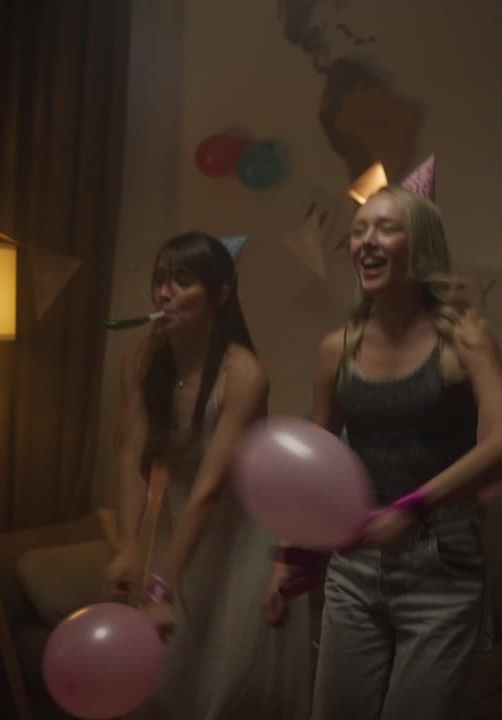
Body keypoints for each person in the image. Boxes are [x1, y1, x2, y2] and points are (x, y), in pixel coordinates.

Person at [308, 185, 502, 719]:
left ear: (423, 245)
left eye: (386, 227)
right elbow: (316, 457)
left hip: (443, 564)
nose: (367, 240)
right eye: (359, 229)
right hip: (354, 564)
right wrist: (289, 554)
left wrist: (413, 505)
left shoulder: (465, 338)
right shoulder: (335, 349)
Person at [104, 231, 311, 719]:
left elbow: (210, 488)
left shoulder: (244, 374)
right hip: (184, 531)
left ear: (221, 294)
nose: (164, 293)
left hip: (245, 534)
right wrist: (129, 549)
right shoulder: (139, 357)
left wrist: (160, 588)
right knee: (168, 681)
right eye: (159, 281)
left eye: (182, 280)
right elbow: (129, 455)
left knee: (224, 682)